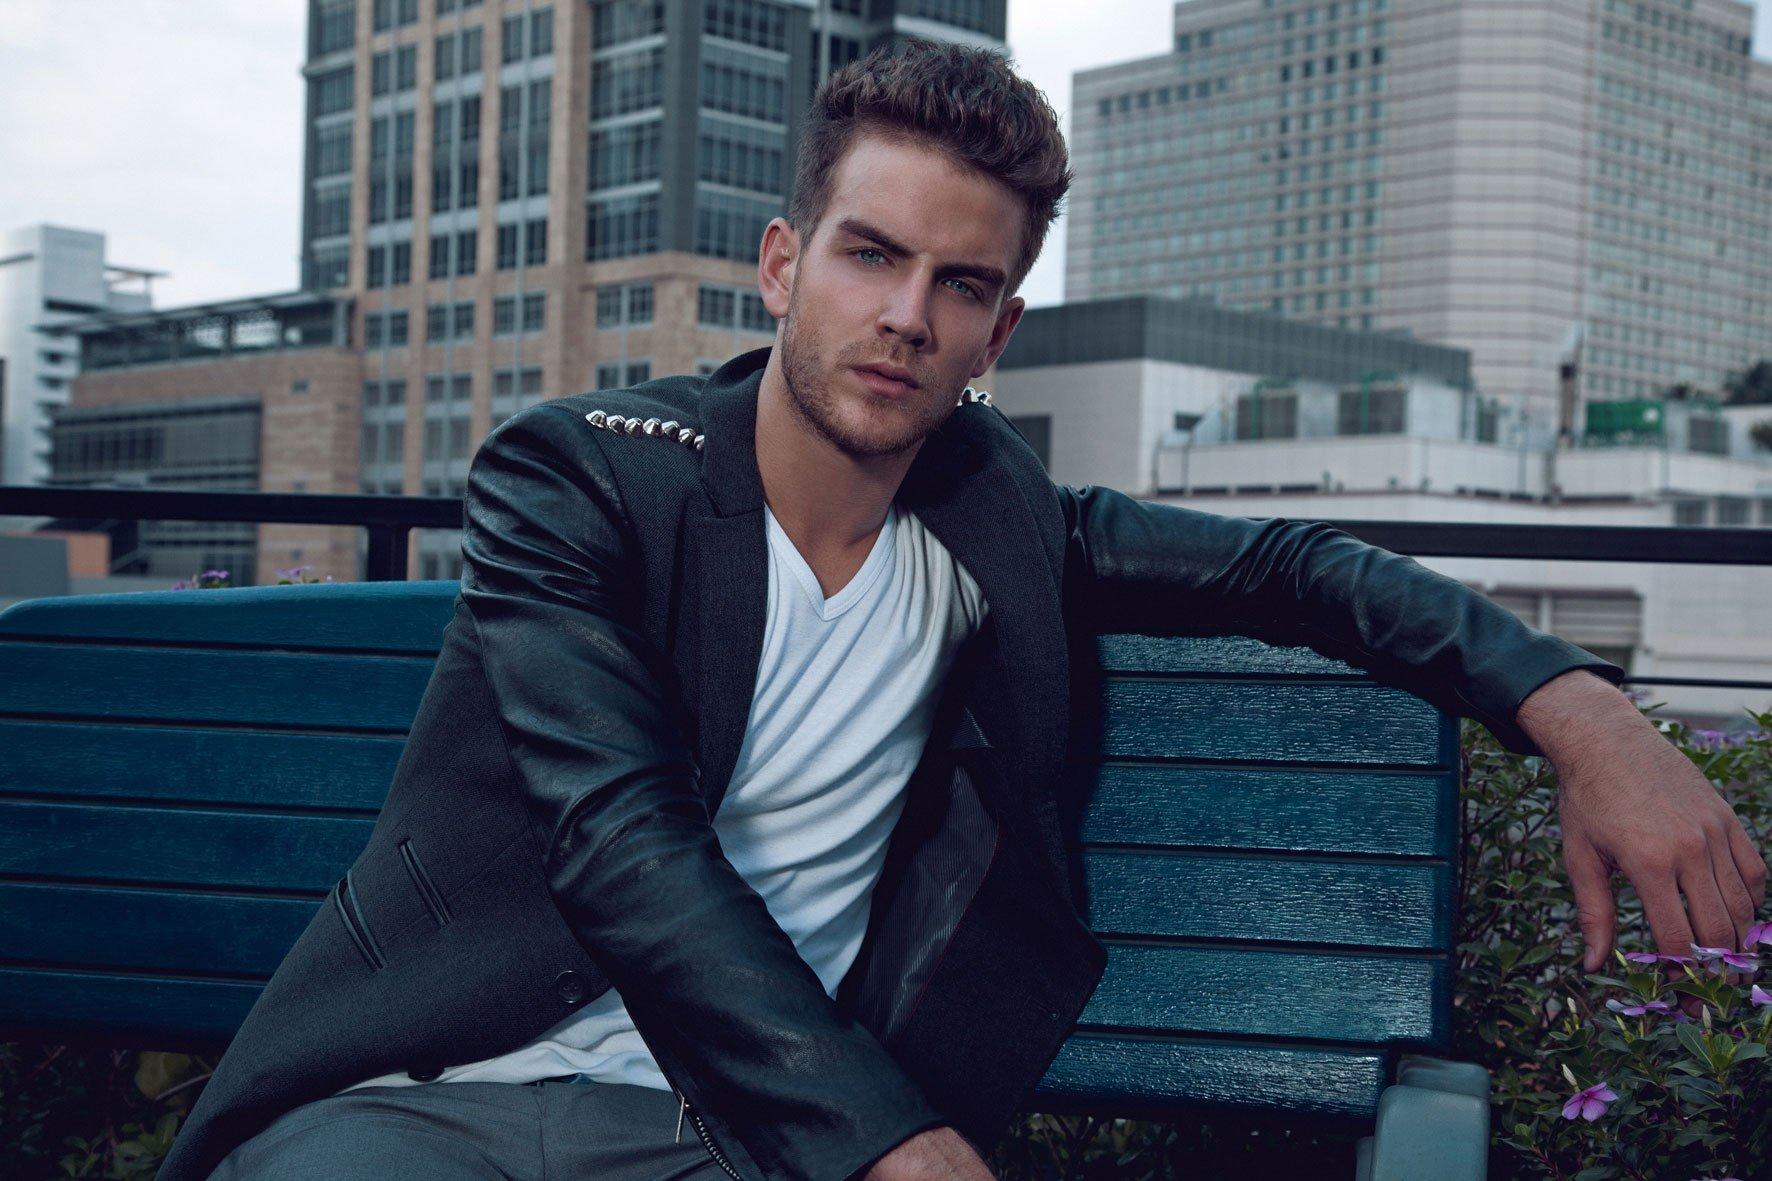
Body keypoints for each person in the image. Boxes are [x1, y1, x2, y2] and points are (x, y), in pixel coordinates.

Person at [163, 41, 1766, 1181]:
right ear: (783, 265)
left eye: (963, 284)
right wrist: (887, 1137)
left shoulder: (1006, 528)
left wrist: (1583, 711)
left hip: (736, 1139)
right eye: (870, 256)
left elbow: (1293, 569)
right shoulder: (583, 477)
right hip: (432, 1097)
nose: (906, 316)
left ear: (999, 334)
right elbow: (619, 840)